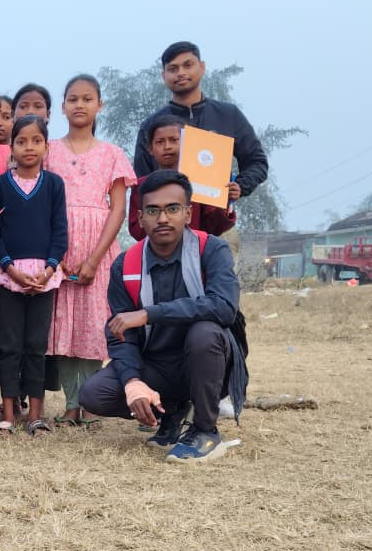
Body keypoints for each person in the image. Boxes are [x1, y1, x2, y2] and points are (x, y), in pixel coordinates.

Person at [78, 169, 247, 462]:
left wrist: (149, 314)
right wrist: (132, 382)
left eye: (172, 209)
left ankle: (206, 431)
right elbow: (121, 333)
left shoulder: (212, 250)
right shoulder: (126, 265)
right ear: (141, 218)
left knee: (204, 333)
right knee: (94, 394)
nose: (163, 218)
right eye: (153, 210)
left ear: (188, 213)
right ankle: (172, 410)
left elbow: (224, 307)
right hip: (158, 364)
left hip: (210, 362)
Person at [44, 74, 136, 426]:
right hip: (58, 246)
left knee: (92, 326)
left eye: (87, 99)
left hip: (98, 248)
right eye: (72, 99)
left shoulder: (112, 155)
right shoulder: (49, 150)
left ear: (100, 105)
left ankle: (92, 401)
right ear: (62, 106)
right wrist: (55, 253)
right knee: (63, 326)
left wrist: (95, 258)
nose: (79, 105)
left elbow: (118, 209)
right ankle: (70, 402)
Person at [132, 41, 268, 256]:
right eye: (173, 69)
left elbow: (257, 162)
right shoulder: (153, 125)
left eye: (188, 65)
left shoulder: (228, 115)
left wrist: (238, 187)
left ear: (202, 67)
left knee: (220, 287)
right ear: (163, 75)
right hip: (166, 230)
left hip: (218, 225)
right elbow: (141, 178)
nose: (181, 73)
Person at [0, 115, 68, 437]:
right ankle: (8, 413)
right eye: (21, 141)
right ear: (12, 146)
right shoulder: (0, 186)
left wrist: (48, 270)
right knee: (9, 344)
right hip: (10, 276)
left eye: (36, 141)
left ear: (47, 146)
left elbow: (60, 233)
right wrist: (11, 269)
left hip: (43, 278)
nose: (29, 147)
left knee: (36, 345)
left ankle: (36, 414)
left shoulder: (53, 185)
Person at [127, 115, 235, 241]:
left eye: (174, 140)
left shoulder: (200, 183)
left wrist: (226, 201)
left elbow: (215, 227)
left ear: (187, 144)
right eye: (160, 142)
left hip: (195, 252)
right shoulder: (141, 185)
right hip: (155, 254)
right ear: (150, 149)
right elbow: (136, 229)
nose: (167, 146)